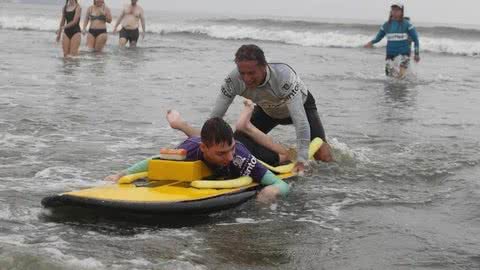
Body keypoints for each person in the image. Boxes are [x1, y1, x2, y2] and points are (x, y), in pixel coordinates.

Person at [105, 114, 290, 204]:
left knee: (279, 159)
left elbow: (281, 184)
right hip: (207, 142)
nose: (229, 157)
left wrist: (272, 190)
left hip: (249, 148)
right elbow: (153, 162)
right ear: (204, 148)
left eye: (230, 150)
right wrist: (123, 174)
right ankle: (180, 124)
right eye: (221, 153)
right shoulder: (190, 149)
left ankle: (292, 153)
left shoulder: (239, 157)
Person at [210, 44, 333, 174]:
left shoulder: (283, 76)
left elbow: (300, 122)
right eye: (242, 73)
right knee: (239, 142)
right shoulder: (233, 80)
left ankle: (332, 179)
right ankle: (282, 157)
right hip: (267, 111)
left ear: (264, 66)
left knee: (322, 156)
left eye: (251, 73)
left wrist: (301, 160)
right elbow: (215, 118)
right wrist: (206, 145)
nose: (246, 79)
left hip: (302, 107)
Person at [364, 1, 420, 78]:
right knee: (389, 76)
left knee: (401, 77)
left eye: (397, 10)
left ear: (401, 11)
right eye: (393, 9)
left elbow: (415, 39)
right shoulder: (386, 25)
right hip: (390, 53)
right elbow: (379, 37)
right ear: (391, 11)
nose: (395, 11)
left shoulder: (407, 24)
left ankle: (404, 86)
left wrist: (416, 54)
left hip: (404, 54)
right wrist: (371, 42)